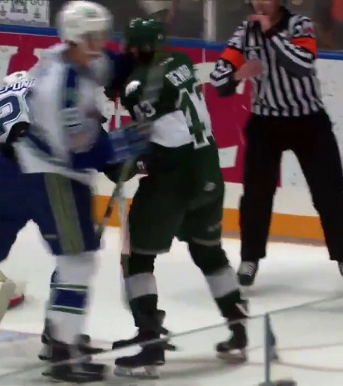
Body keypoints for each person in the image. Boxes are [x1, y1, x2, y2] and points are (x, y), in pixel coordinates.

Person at [0, 1, 146, 383]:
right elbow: (79, 149)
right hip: (50, 178)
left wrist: (131, 57)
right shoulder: (59, 89)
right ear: (76, 38)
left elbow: (105, 67)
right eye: (94, 37)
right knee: (77, 261)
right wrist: (124, 146)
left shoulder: (64, 60)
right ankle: (62, 352)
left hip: (5, 171)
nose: (101, 42)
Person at [109, 18, 249, 379]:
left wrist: (131, 164)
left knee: (136, 260)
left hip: (175, 179)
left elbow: (165, 148)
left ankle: (150, 345)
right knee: (208, 251)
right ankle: (238, 330)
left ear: (136, 48)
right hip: (208, 171)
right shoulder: (182, 61)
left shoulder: (139, 87)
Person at [211, 0, 343, 287]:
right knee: (256, 196)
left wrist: (270, 34)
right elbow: (218, 79)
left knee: (330, 192)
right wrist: (238, 75)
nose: (260, 2)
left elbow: (303, 63)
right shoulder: (245, 32)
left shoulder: (300, 25)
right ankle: (250, 258)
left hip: (308, 121)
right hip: (266, 123)